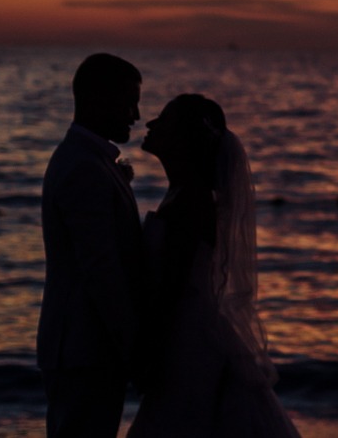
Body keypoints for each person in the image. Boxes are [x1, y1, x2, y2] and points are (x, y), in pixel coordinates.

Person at [128, 94, 301, 438]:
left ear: (184, 137)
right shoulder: (181, 192)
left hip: (186, 338)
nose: (151, 124)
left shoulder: (191, 200)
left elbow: (172, 287)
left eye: (165, 119)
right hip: (188, 329)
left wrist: (150, 351)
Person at [38, 53, 146, 438]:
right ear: (101, 99)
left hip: (89, 348)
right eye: (129, 102)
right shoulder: (84, 167)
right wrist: (132, 346)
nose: (135, 115)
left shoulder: (90, 160)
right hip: (84, 348)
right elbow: (101, 269)